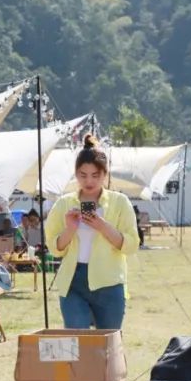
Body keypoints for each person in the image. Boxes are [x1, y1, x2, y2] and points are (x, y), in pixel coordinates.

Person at [44, 135, 138, 330]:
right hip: (73, 281)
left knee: (108, 346)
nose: (89, 181)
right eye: (82, 174)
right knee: (77, 343)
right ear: (75, 174)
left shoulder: (120, 202)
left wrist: (102, 226)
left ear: (105, 174)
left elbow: (131, 245)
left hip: (109, 282)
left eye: (95, 175)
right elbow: (54, 248)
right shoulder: (64, 204)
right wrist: (70, 229)